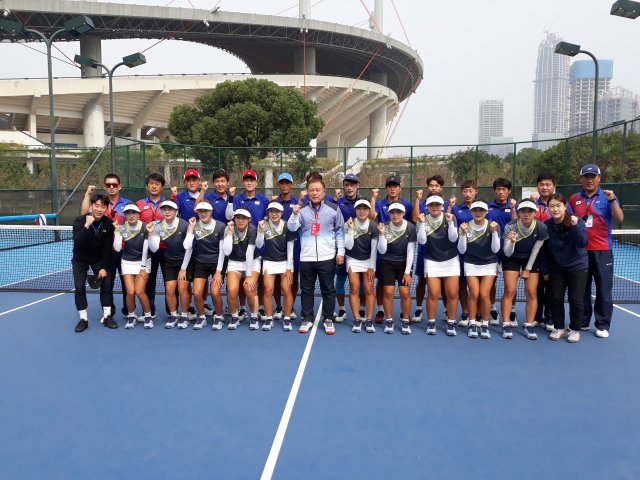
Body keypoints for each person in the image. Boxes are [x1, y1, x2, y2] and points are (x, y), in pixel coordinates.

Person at [569, 164, 624, 338]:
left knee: (604, 289)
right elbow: (567, 221)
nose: (590, 180)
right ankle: (583, 321)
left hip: (602, 251)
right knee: (581, 289)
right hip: (580, 251)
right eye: (586, 176)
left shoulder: (608, 197)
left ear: (599, 178)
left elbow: (619, 218)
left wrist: (612, 200)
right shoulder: (574, 199)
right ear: (581, 179)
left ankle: (602, 324)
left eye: (593, 176)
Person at [288, 172, 345, 335]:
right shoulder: (301, 210)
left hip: (328, 257)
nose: (315, 193)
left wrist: (340, 252)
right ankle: (307, 318)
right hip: (306, 258)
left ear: (324, 191)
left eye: (318, 190)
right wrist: (295, 213)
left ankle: (328, 319)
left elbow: (340, 231)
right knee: (306, 290)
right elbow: (292, 228)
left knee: (328, 290)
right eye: (312, 190)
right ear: (307, 191)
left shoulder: (334, 209)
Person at [81, 173, 131, 318]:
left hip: (123, 249)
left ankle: (128, 311)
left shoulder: (127, 204)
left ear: (119, 186)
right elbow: (84, 214)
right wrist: (87, 194)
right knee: (107, 284)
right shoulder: (99, 204)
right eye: (108, 185)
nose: (111, 187)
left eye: (114, 185)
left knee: (127, 284)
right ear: (104, 186)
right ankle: (109, 312)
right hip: (105, 252)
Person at [543, 193, 589, 343]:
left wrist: (575, 226)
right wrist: (545, 269)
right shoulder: (547, 225)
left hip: (578, 266)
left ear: (565, 207)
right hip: (557, 267)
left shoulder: (577, 221)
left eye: (558, 206)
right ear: (548, 208)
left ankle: (575, 329)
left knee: (575, 299)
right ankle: (559, 327)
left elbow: (583, 242)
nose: (555, 209)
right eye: (552, 206)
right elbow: (545, 250)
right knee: (556, 298)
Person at [501, 199, 548, 340]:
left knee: (531, 292)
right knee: (509, 291)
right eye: (523, 211)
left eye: (530, 211)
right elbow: (507, 253)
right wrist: (512, 242)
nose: (526, 214)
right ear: (519, 212)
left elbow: (536, 250)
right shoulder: (510, 226)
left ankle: (528, 325)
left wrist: (527, 269)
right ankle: (506, 324)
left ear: (535, 213)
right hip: (512, 258)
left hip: (531, 259)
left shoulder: (541, 227)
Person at [370, 175, 413, 323]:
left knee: (404, 291)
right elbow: (372, 216)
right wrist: (373, 198)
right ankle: (381, 310)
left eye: (395, 186)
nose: (392, 188)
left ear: (400, 188)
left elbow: (410, 221)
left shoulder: (407, 205)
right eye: (390, 186)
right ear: (386, 188)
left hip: (401, 253)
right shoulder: (380, 203)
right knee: (382, 284)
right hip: (384, 250)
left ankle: (405, 314)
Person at [411, 175, 454, 324]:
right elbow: (415, 219)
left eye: (436, 186)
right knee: (422, 281)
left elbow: (449, 223)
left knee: (444, 283)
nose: (433, 188)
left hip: (443, 253)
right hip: (425, 250)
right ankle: (418, 308)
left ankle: (446, 310)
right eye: (431, 185)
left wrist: (450, 207)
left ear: (441, 188)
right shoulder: (423, 203)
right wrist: (417, 200)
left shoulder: (446, 205)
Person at [184, 200, 232, 331]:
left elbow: (222, 251)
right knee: (197, 293)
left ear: (211, 212)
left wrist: (218, 271)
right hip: (200, 263)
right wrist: (191, 229)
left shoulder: (221, 226)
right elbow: (187, 246)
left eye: (205, 211)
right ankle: (202, 317)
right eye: (200, 211)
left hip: (217, 263)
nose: (203, 213)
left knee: (215, 292)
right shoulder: (194, 226)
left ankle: (219, 316)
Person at [72, 193, 117, 333]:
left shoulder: (108, 224)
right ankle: (83, 319)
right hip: (80, 259)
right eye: (96, 206)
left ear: (106, 208)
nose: (99, 209)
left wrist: (104, 267)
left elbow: (107, 248)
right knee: (79, 287)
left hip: (98, 258)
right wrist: (87, 225)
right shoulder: (79, 221)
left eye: (103, 206)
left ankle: (107, 316)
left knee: (107, 284)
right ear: (91, 206)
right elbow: (78, 242)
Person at [457, 200, 500, 339]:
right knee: (474, 293)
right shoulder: (464, 226)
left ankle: (485, 325)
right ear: (471, 212)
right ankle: (472, 323)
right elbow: (461, 250)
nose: (478, 212)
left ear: (486, 212)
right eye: (475, 210)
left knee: (484, 295)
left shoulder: (493, 226)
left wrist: (494, 233)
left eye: (481, 210)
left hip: (489, 263)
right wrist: (463, 234)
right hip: (471, 263)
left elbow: (496, 249)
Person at [416, 196, 459, 336]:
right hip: (432, 260)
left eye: (437, 204)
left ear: (442, 206)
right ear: (427, 207)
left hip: (451, 260)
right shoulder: (422, 219)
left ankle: (451, 322)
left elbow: (453, 238)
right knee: (433, 293)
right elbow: (422, 241)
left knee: (452, 293)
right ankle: (431, 322)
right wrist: (422, 224)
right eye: (432, 204)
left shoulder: (450, 217)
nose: (435, 207)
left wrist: (450, 223)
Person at [148, 200, 193, 329]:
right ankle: (174, 315)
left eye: (170, 209)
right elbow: (154, 248)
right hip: (169, 261)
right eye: (164, 209)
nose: (167, 212)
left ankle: (184, 316)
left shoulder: (184, 225)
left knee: (182, 288)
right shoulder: (158, 226)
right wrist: (151, 233)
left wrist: (183, 268)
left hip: (185, 261)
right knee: (169, 289)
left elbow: (189, 248)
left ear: (176, 211)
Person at [233, 169, 270, 320]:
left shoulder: (264, 200)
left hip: (259, 242)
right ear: (243, 182)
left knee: (259, 278)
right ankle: (242, 308)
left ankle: (260, 307)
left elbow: (267, 218)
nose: (249, 182)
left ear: (256, 182)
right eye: (246, 180)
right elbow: (234, 217)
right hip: (241, 243)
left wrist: (260, 231)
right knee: (242, 278)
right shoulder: (237, 199)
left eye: (252, 180)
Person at [256, 202, 297, 331]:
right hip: (269, 261)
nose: (274, 214)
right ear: (268, 213)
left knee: (286, 289)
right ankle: (269, 319)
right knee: (268, 289)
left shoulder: (288, 226)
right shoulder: (263, 225)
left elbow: (290, 248)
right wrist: (260, 232)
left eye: (277, 211)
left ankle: (287, 318)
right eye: (271, 211)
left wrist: (289, 269)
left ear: (282, 213)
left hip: (285, 262)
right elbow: (259, 245)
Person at [377, 203, 416, 334]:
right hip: (387, 262)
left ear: (403, 213)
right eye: (392, 212)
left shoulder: (410, 227)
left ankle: (405, 320)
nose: (395, 215)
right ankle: (389, 320)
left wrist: (407, 272)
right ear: (389, 214)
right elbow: (382, 251)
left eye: (398, 212)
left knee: (405, 292)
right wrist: (381, 234)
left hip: (404, 263)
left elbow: (410, 251)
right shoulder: (384, 226)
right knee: (388, 292)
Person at [113, 203, 153, 329]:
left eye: (133, 213)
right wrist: (117, 232)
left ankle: (148, 316)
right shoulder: (121, 228)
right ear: (125, 216)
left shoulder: (146, 227)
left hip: (144, 261)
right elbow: (117, 248)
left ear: (138, 215)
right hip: (127, 262)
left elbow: (147, 248)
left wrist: (143, 267)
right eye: (128, 213)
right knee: (130, 292)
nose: (131, 215)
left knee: (139, 291)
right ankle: (131, 316)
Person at [136, 172, 168, 320]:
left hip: (166, 248)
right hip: (148, 249)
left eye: (157, 184)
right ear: (147, 186)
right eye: (151, 183)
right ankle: (149, 310)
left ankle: (171, 311)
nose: (154, 186)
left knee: (169, 282)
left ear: (162, 187)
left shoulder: (168, 204)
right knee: (149, 281)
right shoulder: (139, 204)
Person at [344, 199, 379, 333]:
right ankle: (357, 319)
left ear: (369, 210)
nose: (362, 211)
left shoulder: (374, 226)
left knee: (369, 289)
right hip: (352, 259)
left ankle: (369, 320)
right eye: (359, 208)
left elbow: (374, 249)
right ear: (355, 210)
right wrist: (350, 229)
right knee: (354, 287)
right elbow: (348, 246)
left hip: (368, 260)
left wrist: (371, 267)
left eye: (365, 208)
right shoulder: (348, 224)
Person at [487, 177, 517, 326]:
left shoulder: (514, 206)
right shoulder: (487, 207)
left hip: (509, 250)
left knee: (510, 284)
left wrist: (513, 208)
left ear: (509, 191)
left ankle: (512, 311)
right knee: (491, 282)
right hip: (492, 250)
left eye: (504, 189)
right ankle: (492, 309)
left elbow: (517, 223)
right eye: (498, 189)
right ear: (494, 191)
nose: (501, 192)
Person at [225, 208, 261, 330]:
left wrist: (249, 275)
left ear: (249, 219)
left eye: (244, 218)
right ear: (234, 219)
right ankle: (235, 317)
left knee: (249, 288)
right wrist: (230, 233)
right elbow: (226, 251)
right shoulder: (228, 228)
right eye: (238, 217)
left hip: (252, 261)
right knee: (231, 290)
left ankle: (254, 317)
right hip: (234, 262)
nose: (240, 220)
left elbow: (249, 253)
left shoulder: (252, 229)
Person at [334, 173, 363, 323]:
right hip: (342, 247)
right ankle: (342, 309)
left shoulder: (363, 202)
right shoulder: (338, 203)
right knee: (340, 280)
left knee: (362, 282)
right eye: (347, 185)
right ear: (343, 186)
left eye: (352, 185)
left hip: (361, 249)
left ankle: (362, 309)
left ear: (357, 186)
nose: (349, 187)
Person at [530, 172, 556, 331]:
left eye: (548, 184)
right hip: (536, 253)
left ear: (554, 186)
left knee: (552, 288)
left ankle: (550, 318)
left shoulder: (559, 203)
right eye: (541, 185)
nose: (545, 187)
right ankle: (537, 317)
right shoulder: (532, 204)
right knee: (536, 287)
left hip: (553, 253)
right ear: (537, 187)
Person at [272, 172, 300, 321]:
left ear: (291, 185)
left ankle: (290, 307)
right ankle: (278, 307)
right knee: (277, 279)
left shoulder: (297, 202)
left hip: (294, 246)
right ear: (279, 185)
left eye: (287, 183)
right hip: (276, 246)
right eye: (281, 183)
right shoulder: (274, 202)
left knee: (293, 278)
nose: (284, 186)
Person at [452, 179, 479, 327]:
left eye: (471, 191)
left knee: (477, 287)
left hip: (479, 255)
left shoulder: (482, 208)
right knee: (462, 285)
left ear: (476, 191)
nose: (468, 194)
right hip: (461, 254)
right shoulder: (456, 210)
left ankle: (478, 313)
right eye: (465, 191)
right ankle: (465, 312)